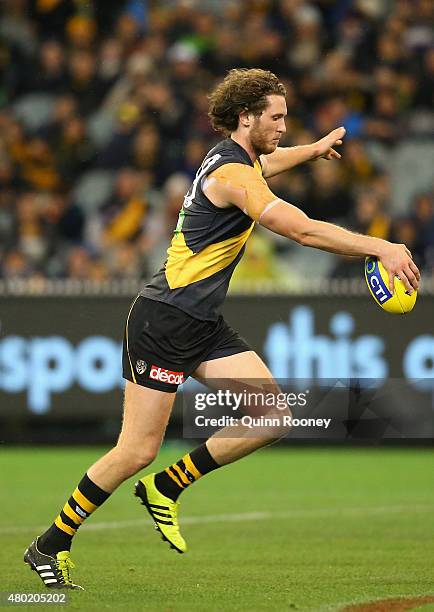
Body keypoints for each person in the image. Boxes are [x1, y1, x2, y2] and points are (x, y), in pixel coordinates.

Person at [24, 68, 420, 589]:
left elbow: (270, 162)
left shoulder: (239, 159)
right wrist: (381, 245)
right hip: (164, 321)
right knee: (136, 449)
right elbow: (297, 228)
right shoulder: (234, 176)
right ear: (245, 117)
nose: (283, 125)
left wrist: (313, 148)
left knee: (273, 415)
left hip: (201, 323)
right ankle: (50, 544)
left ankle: (168, 484)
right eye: (275, 117)